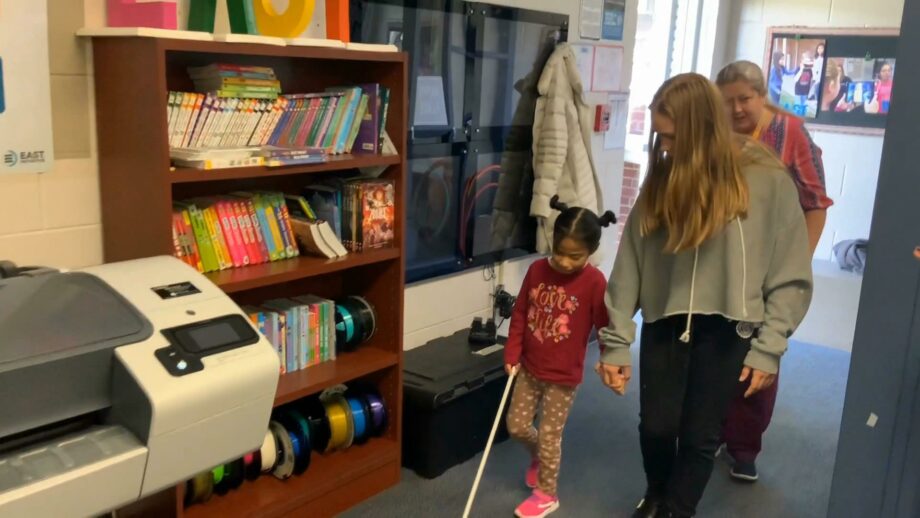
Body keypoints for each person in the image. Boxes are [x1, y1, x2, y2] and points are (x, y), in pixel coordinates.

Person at [596, 73, 814, 518]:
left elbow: (790, 275)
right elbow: (629, 264)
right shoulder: (661, 179)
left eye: (673, 136)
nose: (665, 146)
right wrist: (616, 340)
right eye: (660, 136)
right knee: (656, 428)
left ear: (700, 131)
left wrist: (768, 349)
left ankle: (678, 510)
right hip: (665, 320)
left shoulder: (767, 181)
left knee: (700, 435)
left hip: (731, 327)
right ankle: (657, 495)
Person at [716, 60, 834, 482]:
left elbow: (815, 202)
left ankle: (744, 446)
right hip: (725, 259)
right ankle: (711, 430)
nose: (737, 110)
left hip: (773, 262)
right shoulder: (717, 132)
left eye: (744, 99)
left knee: (760, 350)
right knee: (716, 347)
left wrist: (796, 263)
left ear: (761, 95)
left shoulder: (790, 132)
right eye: (727, 102)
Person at [504, 195, 615, 518]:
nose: (565, 262)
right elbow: (522, 312)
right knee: (517, 426)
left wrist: (609, 359)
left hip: (563, 376)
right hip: (529, 366)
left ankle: (546, 493)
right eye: (560, 252)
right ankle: (539, 458)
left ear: (591, 251)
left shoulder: (594, 281)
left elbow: (603, 324)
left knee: (551, 435)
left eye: (575, 256)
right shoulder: (538, 270)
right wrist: (512, 351)